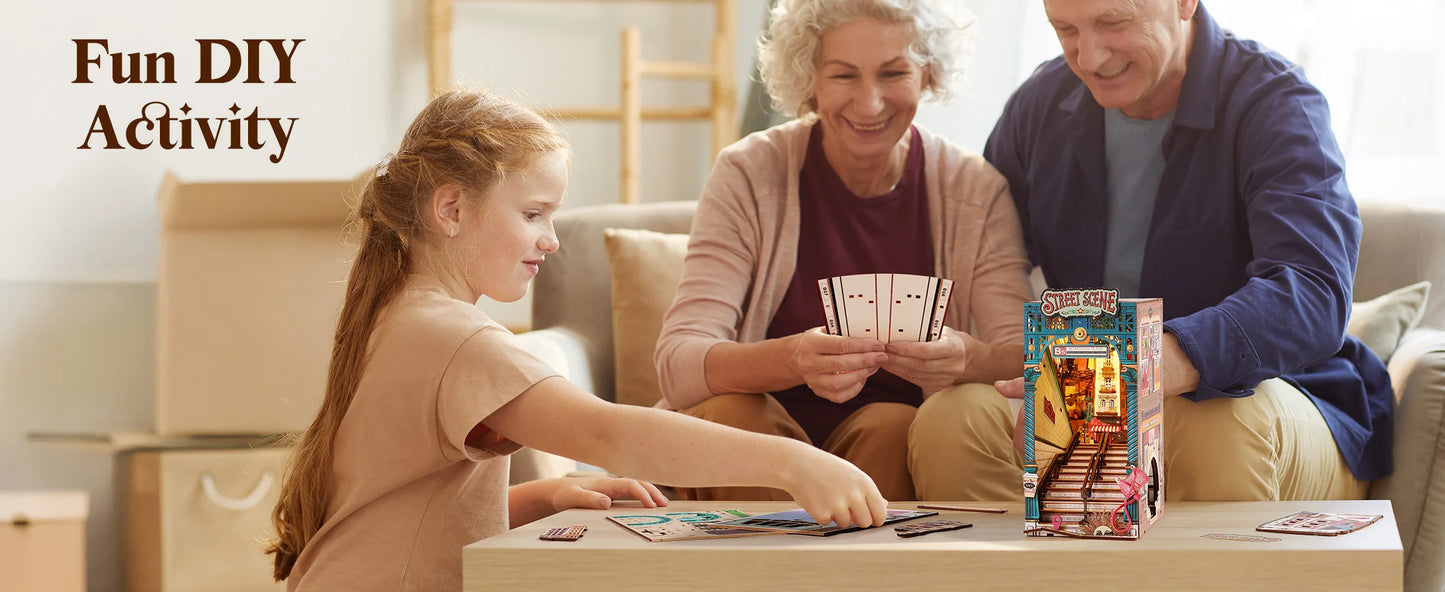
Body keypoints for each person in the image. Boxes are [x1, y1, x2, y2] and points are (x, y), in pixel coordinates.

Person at [264, 89, 889, 591]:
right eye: (533, 213)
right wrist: (793, 462)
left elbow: (403, 505)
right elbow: (607, 433)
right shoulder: (454, 338)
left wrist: (542, 496)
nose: (552, 239)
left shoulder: (402, 318)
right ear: (451, 210)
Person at [958, 0, 1395, 502]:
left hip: (1281, 393)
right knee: (954, 421)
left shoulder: (1277, 101)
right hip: (1088, 389)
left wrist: (1138, 366)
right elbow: (986, 251)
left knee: (1211, 426)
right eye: (1065, 29)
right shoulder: (1041, 103)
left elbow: (1314, 293)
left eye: (1113, 22)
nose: (1089, 58)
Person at [654, 0, 1034, 502]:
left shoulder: (973, 188)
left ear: (928, 74)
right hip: (760, 439)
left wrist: (968, 358)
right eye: (843, 75)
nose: (870, 103)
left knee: (892, 425)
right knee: (734, 414)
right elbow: (679, 362)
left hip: (890, 444)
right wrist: (794, 358)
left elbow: (1025, 353)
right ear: (808, 79)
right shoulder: (749, 172)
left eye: (893, 73)